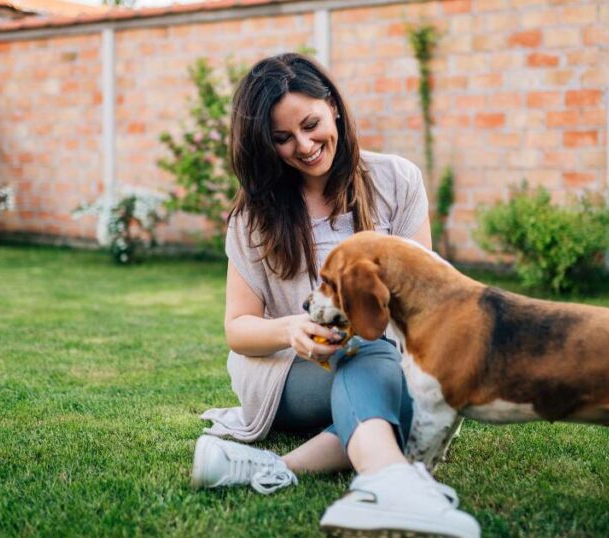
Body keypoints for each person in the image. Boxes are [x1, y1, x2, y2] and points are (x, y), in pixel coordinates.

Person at [190, 53, 479, 537]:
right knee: (371, 348)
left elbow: (422, 303)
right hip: (287, 374)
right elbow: (237, 330)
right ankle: (389, 480)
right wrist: (291, 329)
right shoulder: (253, 217)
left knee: (397, 373)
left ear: (334, 107)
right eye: (282, 139)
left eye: (310, 124)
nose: (303, 146)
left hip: (384, 358)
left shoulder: (396, 181)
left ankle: (272, 469)